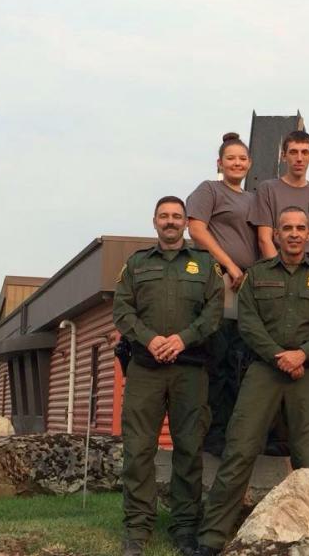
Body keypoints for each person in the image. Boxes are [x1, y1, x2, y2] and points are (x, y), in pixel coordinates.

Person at [195, 206, 309, 555]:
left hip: (308, 374)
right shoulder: (257, 275)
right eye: (286, 228)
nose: (293, 234)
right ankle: (212, 537)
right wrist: (280, 355)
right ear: (275, 235)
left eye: (300, 228)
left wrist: (301, 355)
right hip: (264, 370)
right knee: (239, 450)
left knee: (308, 460)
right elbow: (248, 324)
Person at [113, 196, 223, 556]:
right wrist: (151, 339)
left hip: (190, 369)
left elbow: (213, 313)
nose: (171, 221)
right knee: (138, 449)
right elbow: (122, 310)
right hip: (145, 368)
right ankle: (137, 529)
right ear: (155, 221)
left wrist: (181, 339)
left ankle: (185, 528)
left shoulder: (205, 265)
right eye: (165, 216)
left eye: (177, 216)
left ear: (186, 222)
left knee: (189, 450)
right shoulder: (136, 264)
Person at [186, 132, 258, 457]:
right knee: (217, 362)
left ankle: (237, 436)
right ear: (220, 162)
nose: (237, 163)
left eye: (242, 159)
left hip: (246, 289)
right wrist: (229, 265)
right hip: (220, 282)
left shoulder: (253, 199)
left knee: (241, 364)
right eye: (231, 158)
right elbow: (197, 229)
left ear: (249, 164)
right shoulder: (209, 190)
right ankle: (212, 438)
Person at [250, 130, 309, 267]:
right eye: (293, 152)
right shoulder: (267, 189)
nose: (299, 158)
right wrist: (281, 273)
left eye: (304, 152)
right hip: (279, 265)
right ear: (283, 156)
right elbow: (264, 239)